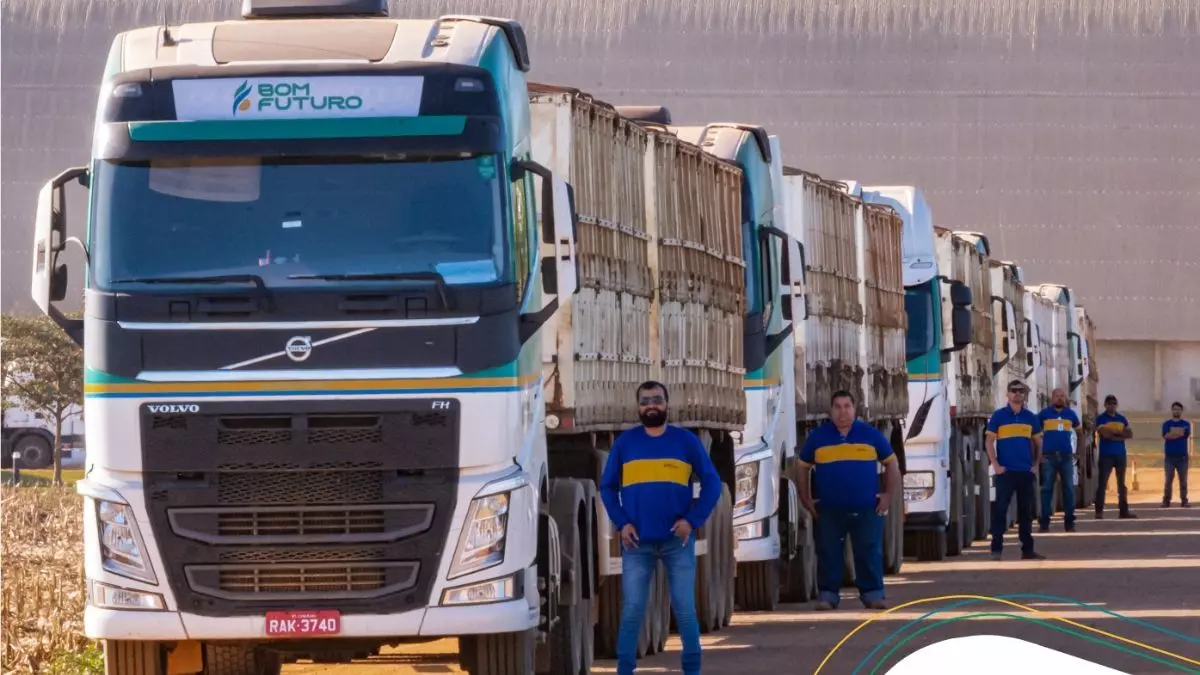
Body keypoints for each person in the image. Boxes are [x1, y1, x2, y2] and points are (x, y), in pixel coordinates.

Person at [599, 380, 722, 675]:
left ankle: (692, 670)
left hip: (676, 542)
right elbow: (607, 486)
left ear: (668, 404)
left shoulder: (685, 442)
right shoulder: (625, 444)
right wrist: (622, 522)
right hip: (636, 544)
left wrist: (692, 522)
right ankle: (624, 670)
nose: (650, 405)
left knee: (684, 609)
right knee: (631, 612)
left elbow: (713, 483)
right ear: (638, 407)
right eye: (644, 401)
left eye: (656, 400)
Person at [796, 390, 901, 611]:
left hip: (867, 509)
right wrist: (805, 498)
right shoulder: (818, 437)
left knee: (868, 552)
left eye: (847, 406)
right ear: (830, 411)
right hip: (829, 510)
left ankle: (873, 595)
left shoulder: (870, 435)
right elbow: (801, 467)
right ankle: (828, 596)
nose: (842, 411)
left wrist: (888, 495)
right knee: (828, 552)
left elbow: (892, 464)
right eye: (838, 407)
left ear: (855, 409)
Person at [985, 379, 1047, 560]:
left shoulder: (1031, 418)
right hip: (1006, 473)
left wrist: (1035, 465)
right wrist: (995, 465)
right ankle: (996, 550)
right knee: (1000, 511)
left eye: (1021, 391)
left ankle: (1027, 550)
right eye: (1014, 390)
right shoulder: (998, 416)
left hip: (1025, 473)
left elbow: (1038, 443)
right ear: (1007, 394)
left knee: (1025, 513)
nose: (1017, 393)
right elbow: (989, 441)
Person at [1036, 388, 1082, 532]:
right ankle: (1044, 523)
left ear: (1066, 398)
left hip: (1066, 457)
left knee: (1068, 489)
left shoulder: (1071, 414)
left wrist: (1078, 452)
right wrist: (1039, 454)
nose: (1059, 398)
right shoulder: (1044, 414)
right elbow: (1035, 434)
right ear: (1052, 397)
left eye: (1062, 396)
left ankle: (1069, 523)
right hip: (1049, 457)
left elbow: (1080, 433)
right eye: (1057, 396)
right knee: (1047, 490)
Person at [1094, 394, 1138, 519]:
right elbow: (1105, 434)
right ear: (1105, 405)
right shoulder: (1101, 419)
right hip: (1106, 455)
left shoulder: (1122, 419)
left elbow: (1129, 434)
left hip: (1120, 455)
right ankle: (1099, 511)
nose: (1112, 405)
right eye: (1109, 403)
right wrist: (1119, 434)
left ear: (1116, 405)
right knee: (1102, 484)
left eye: (1114, 403)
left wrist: (1113, 434)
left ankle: (1123, 511)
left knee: (1121, 485)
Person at [1162, 401, 1191, 508]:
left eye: (1178, 409)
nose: (1176, 411)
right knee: (1168, 480)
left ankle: (1184, 500)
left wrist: (1173, 433)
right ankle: (1166, 500)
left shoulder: (1186, 424)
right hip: (1169, 457)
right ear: (1172, 410)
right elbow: (1166, 436)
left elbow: (1185, 434)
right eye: (1174, 409)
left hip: (1182, 457)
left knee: (1183, 480)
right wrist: (1179, 433)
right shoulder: (1166, 424)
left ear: (1181, 411)